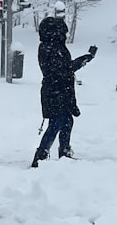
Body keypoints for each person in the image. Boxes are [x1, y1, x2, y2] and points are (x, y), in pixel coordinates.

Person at [31, 15, 96, 168]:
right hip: (54, 92)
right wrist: (79, 62)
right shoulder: (48, 48)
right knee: (57, 123)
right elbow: (59, 70)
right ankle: (40, 156)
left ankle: (64, 152)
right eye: (63, 33)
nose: (65, 36)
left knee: (67, 121)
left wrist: (80, 61)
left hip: (61, 91)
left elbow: (64, 68)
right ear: (55, 33)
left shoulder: (55, 47)